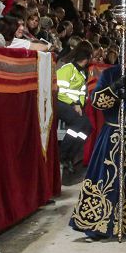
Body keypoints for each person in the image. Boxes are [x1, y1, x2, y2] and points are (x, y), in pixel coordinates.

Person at [70, 32, 126, 240]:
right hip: (112, 133)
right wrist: (113, 89)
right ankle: (98, 225)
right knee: (105, 177)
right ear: (122, 52)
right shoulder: (111, 73)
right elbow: (97, 101)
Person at [55, 40, 94, 181]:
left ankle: (70, 155)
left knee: (87, 127)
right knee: (78, 124)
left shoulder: (81, 73)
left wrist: (79, 104)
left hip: (73, 105)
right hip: (60, 103)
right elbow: (60, 91)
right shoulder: (68, 68)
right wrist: (75, 104)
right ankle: (64, 155)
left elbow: (81, 94)